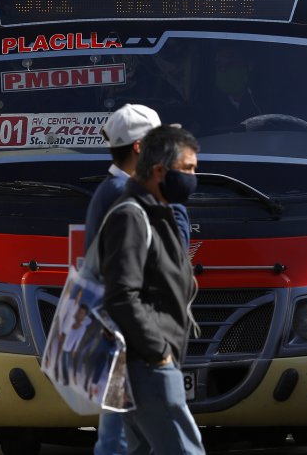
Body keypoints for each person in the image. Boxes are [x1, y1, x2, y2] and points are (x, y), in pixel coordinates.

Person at [84, 104, 191, 455]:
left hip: (128, 337)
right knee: (119, 440)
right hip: (131, 340)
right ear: (140, 149)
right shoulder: (124, 193)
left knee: (126, 436)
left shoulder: (116, 188)